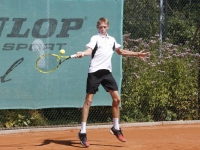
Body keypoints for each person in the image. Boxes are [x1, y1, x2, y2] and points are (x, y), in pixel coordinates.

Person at [76, 17, 150, 147]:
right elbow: (89, 50)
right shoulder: (95, 38)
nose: (102, 29)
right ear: (97, 28)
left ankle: (115, 128)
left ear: (108, 27)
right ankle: (82, 132)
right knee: (88, 101)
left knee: (117, 99)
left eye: (104, 27)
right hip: (94, 72)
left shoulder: (112, 40)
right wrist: (83, 53)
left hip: (106, 73)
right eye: (100, 27)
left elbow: (120, 52)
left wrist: (137, 54)